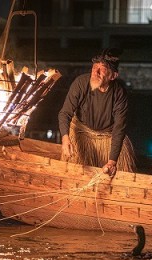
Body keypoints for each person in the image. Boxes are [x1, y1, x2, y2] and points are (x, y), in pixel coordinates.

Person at [58, 48, 136, 177]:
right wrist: (65, 138)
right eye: (94, 67)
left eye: (102, 68)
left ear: (113, 75)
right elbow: (65, 113)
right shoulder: (81, 83)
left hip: (108, 139)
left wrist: (112, 162)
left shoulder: (119, 93)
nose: (96, 71)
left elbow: (119, 128)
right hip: (82, 134)